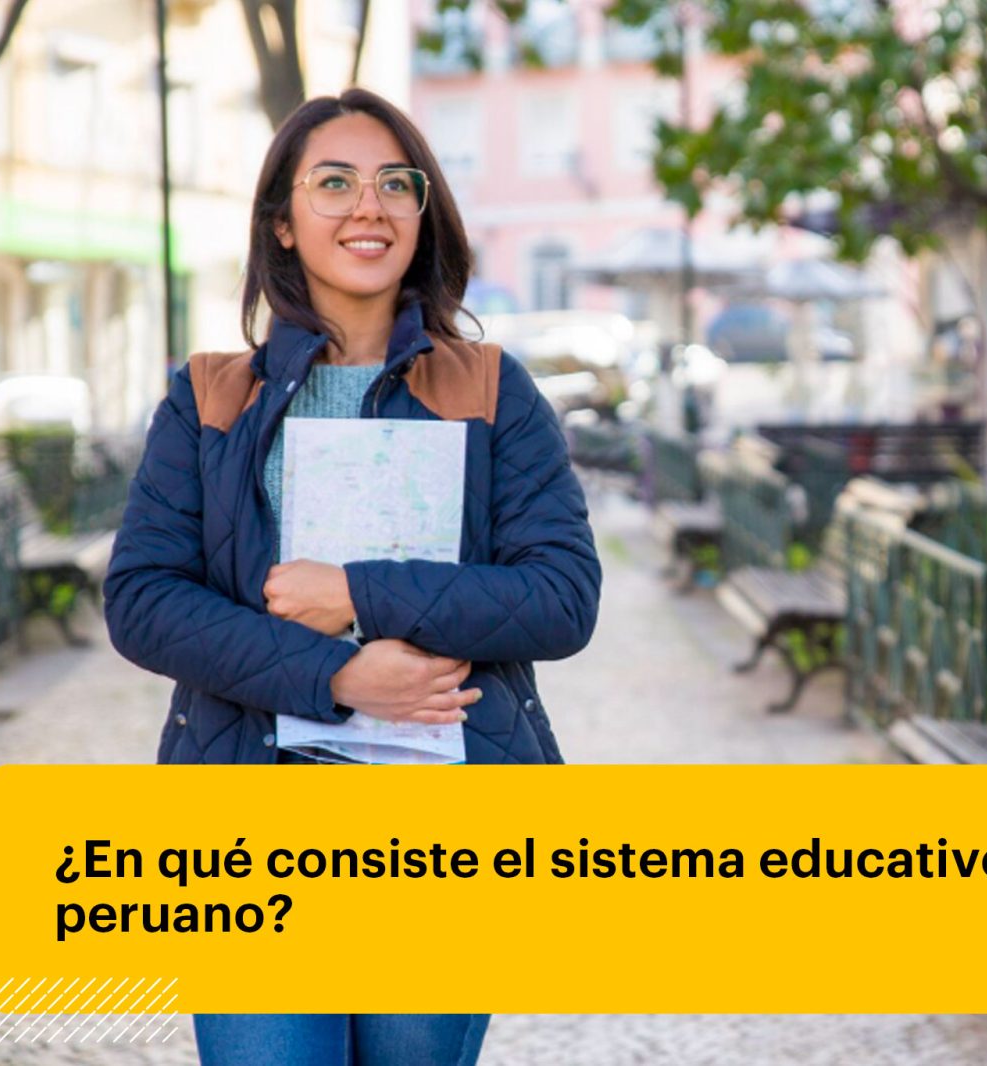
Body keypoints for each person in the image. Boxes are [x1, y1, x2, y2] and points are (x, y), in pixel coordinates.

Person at [102, 87, 602, 1065]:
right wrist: (336, 675)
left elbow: (562, 595)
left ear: (423, 213)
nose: (368, 206)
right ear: (282, 223)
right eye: (333, 183)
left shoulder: (490, 388)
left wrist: (359, 593)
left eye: (394, 183)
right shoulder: (209, 397)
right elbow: (145, 600)